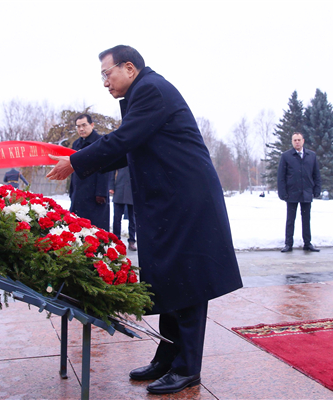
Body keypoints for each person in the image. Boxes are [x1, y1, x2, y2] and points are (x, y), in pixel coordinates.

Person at [47, 45, 242, 395]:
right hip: (168, 199)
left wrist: (75, 162)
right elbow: (126, 149)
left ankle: (187, 367)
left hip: (186, 198)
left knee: (189, 281)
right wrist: (77, 160)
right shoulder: (142, 95)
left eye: (107, 74)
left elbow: (122, 139)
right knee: (167, 279)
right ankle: (166, 357)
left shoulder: (151, 90)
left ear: (130, 68)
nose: (105, 82)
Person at [277, 132, 322, 252]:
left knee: (306, 219)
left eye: (299, 140)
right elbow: (281, 176)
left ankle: (307, 243)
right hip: (291, 193)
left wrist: (317, 189)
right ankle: (288, 244)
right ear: (292, 142)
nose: (297, 142)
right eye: (294, 140)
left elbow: (316, 174)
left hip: (306, 192)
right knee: (290, 220)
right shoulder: (286, 156)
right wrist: (282, 192)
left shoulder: (311, 156)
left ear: (303, 141)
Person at [68, 114, 110, 231]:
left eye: (84, 125)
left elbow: (105, 169)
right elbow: (72, 168)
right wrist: (72, 191)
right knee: (77, 227)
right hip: (78, 191)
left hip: (95, 193)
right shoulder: (76, 144)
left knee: (95, 228)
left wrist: (101, 193)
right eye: (78, 126)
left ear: (92, 125)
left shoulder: (101, 142)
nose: (81, 129)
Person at [109, 166, 137, 251]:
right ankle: (116, 240)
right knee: (117, 218)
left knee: (132, 218)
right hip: (119, 189)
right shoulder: (120, 155)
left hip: (132, 191)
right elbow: (112, 171)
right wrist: (111, 186)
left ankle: (132, 241)